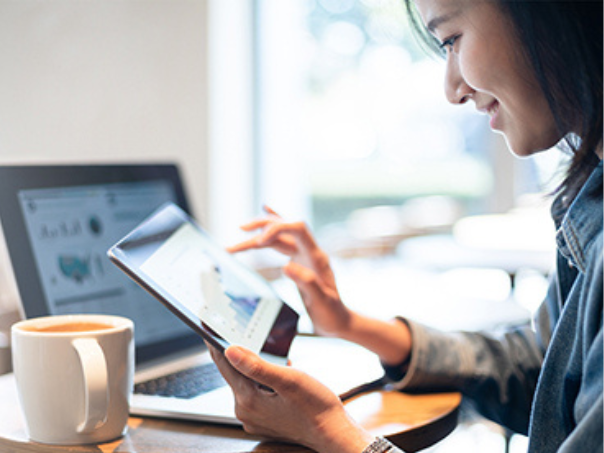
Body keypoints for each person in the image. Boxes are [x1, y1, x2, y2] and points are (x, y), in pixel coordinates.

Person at [208, 1, 603, 452]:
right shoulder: (592, 196)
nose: (452, 89)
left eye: (452, 40)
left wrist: (330, 433)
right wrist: (349, 323)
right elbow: (541, 370)